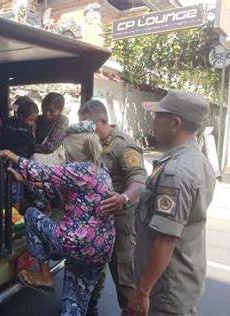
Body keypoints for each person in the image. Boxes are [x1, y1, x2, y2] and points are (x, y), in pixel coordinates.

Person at [0, 120, 115, 316]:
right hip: (100, 250)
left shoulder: (79, 169)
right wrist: (25, 181)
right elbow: (61, 187)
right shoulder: (101, 172)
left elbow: (44, 172)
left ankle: (44, 274)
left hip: (77, 243)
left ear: (73, 150)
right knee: (75, 298)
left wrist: (11, 155)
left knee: (33, 215)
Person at [127, 89, 215, 316]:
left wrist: (143, 291)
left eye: (159, 116)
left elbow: (167, 237)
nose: (153, 121)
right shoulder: (197, 161)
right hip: (178, 281)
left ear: (175, 123)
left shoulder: (177, 173)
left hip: (163, 290)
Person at [78, 100, 148, 315]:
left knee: (123, 274)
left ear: (103, 121)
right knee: (93, 271)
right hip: (97, 222)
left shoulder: (123, 145)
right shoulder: (92, 143)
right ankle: (90, 307)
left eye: (89, 126)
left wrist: (123, 198)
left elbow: (140, 181)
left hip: (120, 222)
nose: (85, 131)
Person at [30, 92, 69, 214]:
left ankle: (44, 206)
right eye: (44, 110)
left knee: (32, 163)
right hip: (37, 155)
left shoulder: (62, 121)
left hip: (54, 157)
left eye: (52, 111)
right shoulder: (39, 119)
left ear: (60, 110)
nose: (47, 114)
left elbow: (50, 146)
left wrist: (31, 147)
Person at [0, 100, 39, 210]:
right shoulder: (26, 129)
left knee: (5, 189)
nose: (32, 123)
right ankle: (14, 219)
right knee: (16, 190)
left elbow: (0, 136)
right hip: (18, 162)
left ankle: (6, 216)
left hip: (3, 160)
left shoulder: (8, 123)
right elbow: (31, 145)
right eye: (31, 120)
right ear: (21, 116)